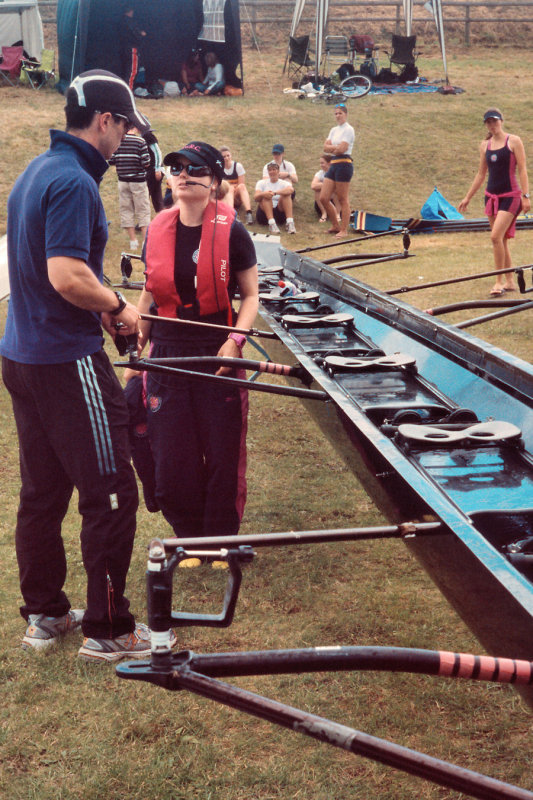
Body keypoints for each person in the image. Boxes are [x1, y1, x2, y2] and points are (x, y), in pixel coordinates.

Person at [0, 70, 174, 661]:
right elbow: (66, 276)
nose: (126, 136)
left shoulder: (37, 171)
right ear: (106, 121)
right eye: (125, 125)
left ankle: (46, 614)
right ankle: (107, 628)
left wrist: (102, 304)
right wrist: (120, 305)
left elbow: (58, 271)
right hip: (65, 362)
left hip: (22, 357)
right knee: (113, 492)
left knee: (42, 494)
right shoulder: (74, 181)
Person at [134, 142, 258, 564]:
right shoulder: (157, 228)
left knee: (222, 453)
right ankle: (187, 539)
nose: (183, 175)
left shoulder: (233, 232)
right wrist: (138, 339)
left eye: (194, 168)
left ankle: (219, 540)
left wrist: (235, 341)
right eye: (176, 167)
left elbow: (252, 296)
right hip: (166, 354)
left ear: (215, 181)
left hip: (216, 351)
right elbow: (151, 293)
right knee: (171, 455)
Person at [458, 108, 530, 296]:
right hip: (491, 196)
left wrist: (526, 195)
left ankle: (498, 282)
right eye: (488, 122)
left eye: (495, 121)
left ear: (501, 121)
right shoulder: (484, 145)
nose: (492, 125)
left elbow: (522, 170)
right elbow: (481, 174)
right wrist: (467, 197)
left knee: (495, 237)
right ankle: (509, 281)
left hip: (510, 196)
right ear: (486, 125)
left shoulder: (513, 141)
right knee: (502, 240)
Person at [108, 123, 151, 250]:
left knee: (126, 210)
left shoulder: (119, 141)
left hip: (123, 181)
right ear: (135, 128)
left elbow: (111, 160)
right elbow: (146, 162)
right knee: (142, 210)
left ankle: (133, 241)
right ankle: (145, 242)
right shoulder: (140, 141)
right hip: (138, 181)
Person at [320, 103, 355, 238]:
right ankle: (335, 225)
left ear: (345, 114)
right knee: (324, 197)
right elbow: (325, 148)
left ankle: (344, 230)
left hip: (344, 164)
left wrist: (333, 148)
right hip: (333, 164)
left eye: (340, 113)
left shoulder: (349, 129)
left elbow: (342, 150)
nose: (337, 116)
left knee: (342, 198)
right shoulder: (333, 130)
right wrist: (335, 148)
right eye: (335, 113)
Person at [255, 161, 296, 234]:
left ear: (278, 171)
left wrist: (275, 193)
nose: (272, 172)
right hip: (264, 213)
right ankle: (272, 224)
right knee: (266, 197)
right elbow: (256, 197)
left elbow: (291, 190)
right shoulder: (261, 183)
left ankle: (290, 222)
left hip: (279, 211)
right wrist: (264, 193)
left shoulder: (284, 183)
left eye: (274, 169)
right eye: (270, 170)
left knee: (286, 195)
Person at [220, 145, 254, 224]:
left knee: (241, 186)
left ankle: (249, 213)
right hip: (225, 197)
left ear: (231, 155)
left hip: (237, 196)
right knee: (229, 189)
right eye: (224, 156)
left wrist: (230, 186)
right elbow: (220, 186)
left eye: (228, 155)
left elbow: (241, 183)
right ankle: (231, 214)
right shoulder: (219, 168)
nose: (226, 158)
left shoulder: (238, 166)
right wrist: (230, 187)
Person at [140, 115, 164, 213]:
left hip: (154, 170)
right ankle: (162, 216)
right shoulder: (145, 135)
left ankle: (143, 220)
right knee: (156, 195)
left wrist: (157, 169)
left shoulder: (147, 136)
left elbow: (157, 152)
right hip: (153, 170)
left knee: (146, 195)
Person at [119, 6, 146, 89]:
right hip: (132, 48)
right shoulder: (129, 21)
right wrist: (141, 33)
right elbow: (135, 32)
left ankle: (125, 90)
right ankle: (129, 91)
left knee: (126, 70)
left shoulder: (121, 21)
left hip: (124, 48)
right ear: (130, 11)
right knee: (132, 71)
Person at [311, 153, 340, 223]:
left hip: (335, 201)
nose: (321, 165)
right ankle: (324, 213)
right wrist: (327, 185)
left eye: (322, 163)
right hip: (322, 202)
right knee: (317, 191)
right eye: (320, 163)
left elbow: (339, 187)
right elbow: (313, 186)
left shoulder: (337, 172)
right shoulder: (320, 173)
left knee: (336, 191)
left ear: (329, 163)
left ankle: (337, 214)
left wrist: (322, 185)